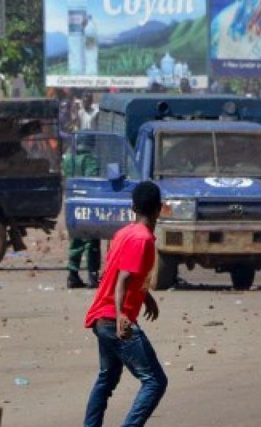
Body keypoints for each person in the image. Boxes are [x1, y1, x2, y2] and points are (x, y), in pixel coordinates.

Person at [83, 181, 166, 427]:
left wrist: (145, 296)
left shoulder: (124, 233)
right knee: (155, 381)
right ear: (159, 209)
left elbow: (117, 272)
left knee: (106, 379)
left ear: (133, 207)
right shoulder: (143, 240)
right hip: (114, 320)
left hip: (102, 317)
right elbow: (122, 280)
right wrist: (121, 315)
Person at [62, 137, 101, 289]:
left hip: (72, 202)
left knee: (75, 238)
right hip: (87, 202)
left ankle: (72, 275)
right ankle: (92, 276)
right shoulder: (90, 160)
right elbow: (93, 180)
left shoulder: (68, 159)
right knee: (91, 239)